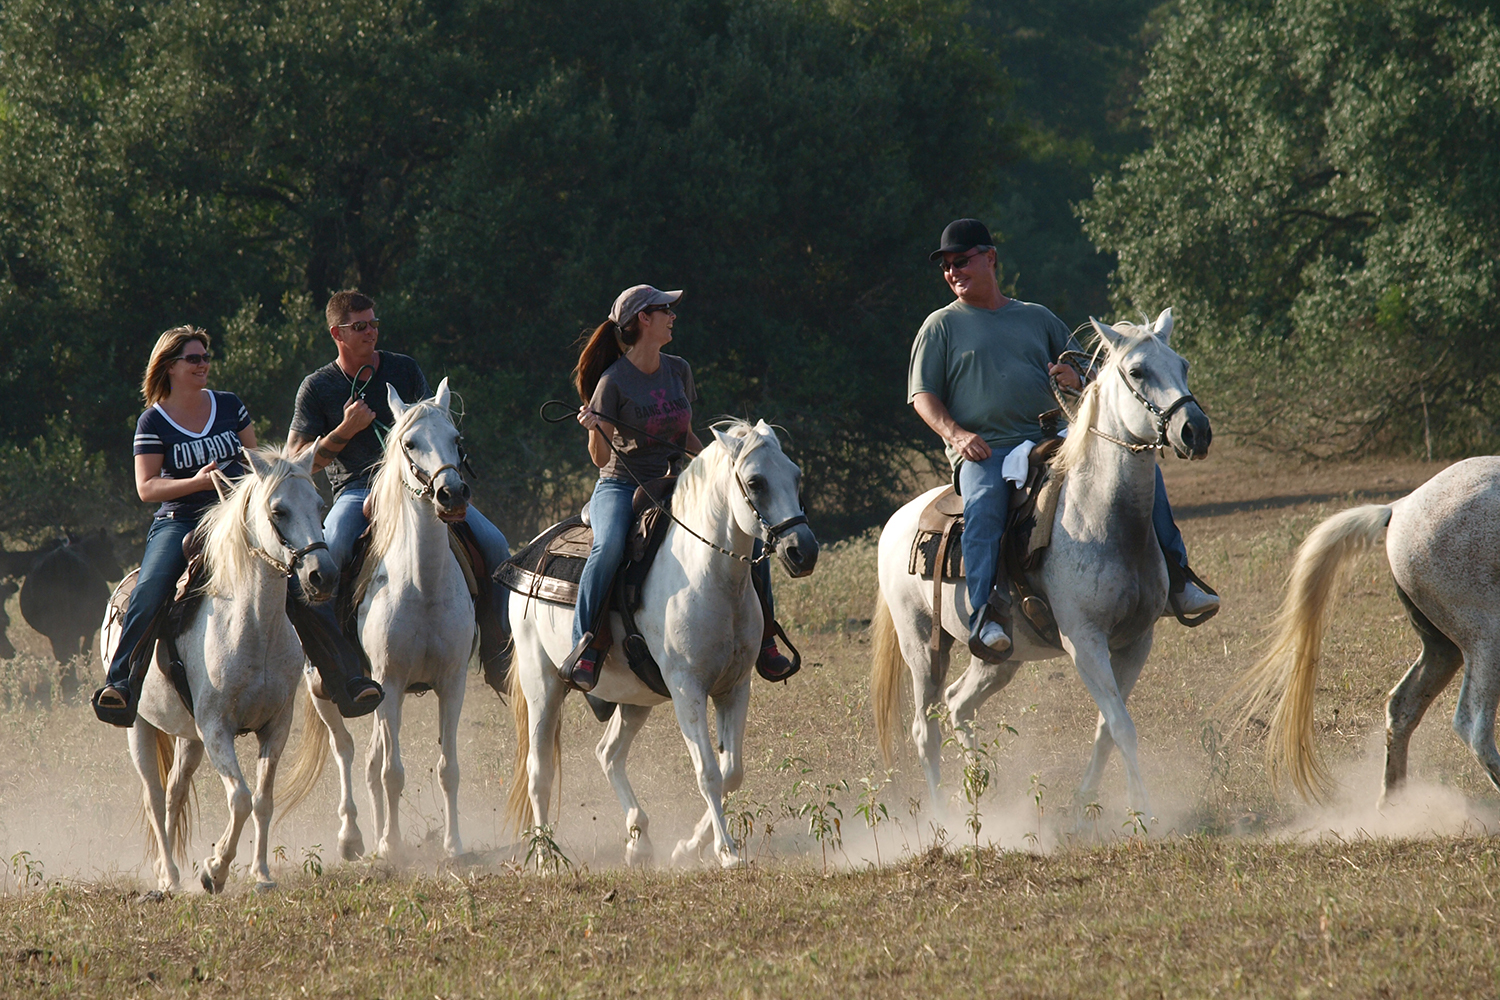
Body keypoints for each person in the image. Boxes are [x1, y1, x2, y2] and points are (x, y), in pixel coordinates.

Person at [908, 218, 1218, 664]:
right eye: (947, 266)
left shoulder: (1036, 317)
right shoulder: (940, 327)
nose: (953, 271)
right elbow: (923, 396)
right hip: (985, 449)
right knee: (985, 505)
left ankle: (1179, 577)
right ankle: (986, 614)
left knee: (1140, 471)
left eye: (962, 261)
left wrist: (1079, 377)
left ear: (990, 258)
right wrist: (957, 435)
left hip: (1051, 437)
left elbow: (1102, 375)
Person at [561, 284, 795, 692]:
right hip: (620, 485)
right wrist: (595, 428)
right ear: (642, 321)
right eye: (664, 310)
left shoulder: (678, 369)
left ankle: (767, 639)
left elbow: (684, 432)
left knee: (753, 540)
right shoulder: (612, 382)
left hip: (674, 479)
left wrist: (716, 468)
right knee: (611, 545)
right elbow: (600, 458)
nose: (673, 316)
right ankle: (586, 643)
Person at [286, 291, 511, 636]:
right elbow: (296, 462)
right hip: (355, 492)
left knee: (494, 544)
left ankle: (499, 646)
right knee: (332, 553)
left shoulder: (404, 368)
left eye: (374, 323)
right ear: (337, 334)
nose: (371, 332)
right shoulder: (317, 387)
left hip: (421, 486)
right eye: (359, 326)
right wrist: (345, 430)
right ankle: (331, 660)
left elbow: (431, 424)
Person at [93, 326, 256, 725]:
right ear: (170, 366)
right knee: (149, 590)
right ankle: (121, 684)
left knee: (298, 567)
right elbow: (147, 487)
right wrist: (198, 482)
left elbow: (255, 461)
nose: (204, 364)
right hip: (179, 519)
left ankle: (336, 672)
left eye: (206, 357)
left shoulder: (230, 405)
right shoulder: (153, 421)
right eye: (194, 358)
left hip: (235, 513)